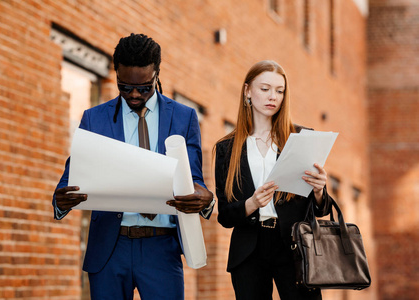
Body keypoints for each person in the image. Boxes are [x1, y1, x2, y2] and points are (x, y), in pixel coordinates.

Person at [52, 33, 215, 300]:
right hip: (109, 248)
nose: (135, 94)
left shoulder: (184, 117)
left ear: (157, 74)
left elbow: (196, 179)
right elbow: (70, 178)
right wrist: (61, 200)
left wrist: (205, 199)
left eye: (145, 87)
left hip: (162, 248)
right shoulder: (94, 119)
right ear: (116, 74)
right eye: (125, 87)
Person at [214, 60, 333, 300]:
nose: (273, 97)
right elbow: (225, 216)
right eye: (265, 89)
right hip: (249, 250)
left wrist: (320, 190)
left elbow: (321, 209)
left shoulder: (300, 138)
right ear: (247, 91)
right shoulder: (227, 148)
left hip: (295, 245)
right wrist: (252, 203)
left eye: (280, 91)